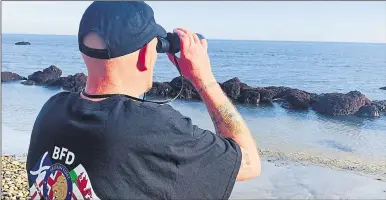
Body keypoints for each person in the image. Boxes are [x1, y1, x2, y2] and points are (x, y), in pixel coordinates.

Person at [26, 1, 261, 199]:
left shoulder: (51, 110)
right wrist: (203, 78)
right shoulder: (153, 128)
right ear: (144, 56)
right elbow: (249, 162)